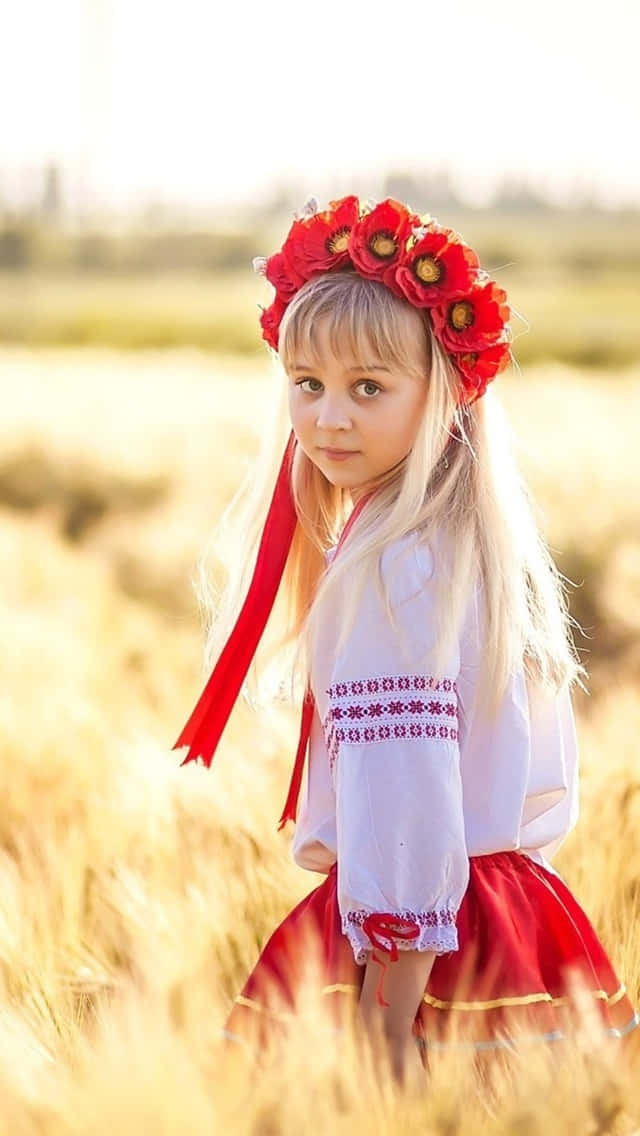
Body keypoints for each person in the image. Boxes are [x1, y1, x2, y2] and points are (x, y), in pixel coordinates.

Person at [171, 195, 639, 1085]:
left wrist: (388, 1022)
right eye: (306, 384)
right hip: (514, 924)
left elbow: (407, 787)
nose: (328, 418)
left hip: (418, 955)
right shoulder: (461, 542)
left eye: (369, 387)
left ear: (444, 394)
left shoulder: (393, 568)